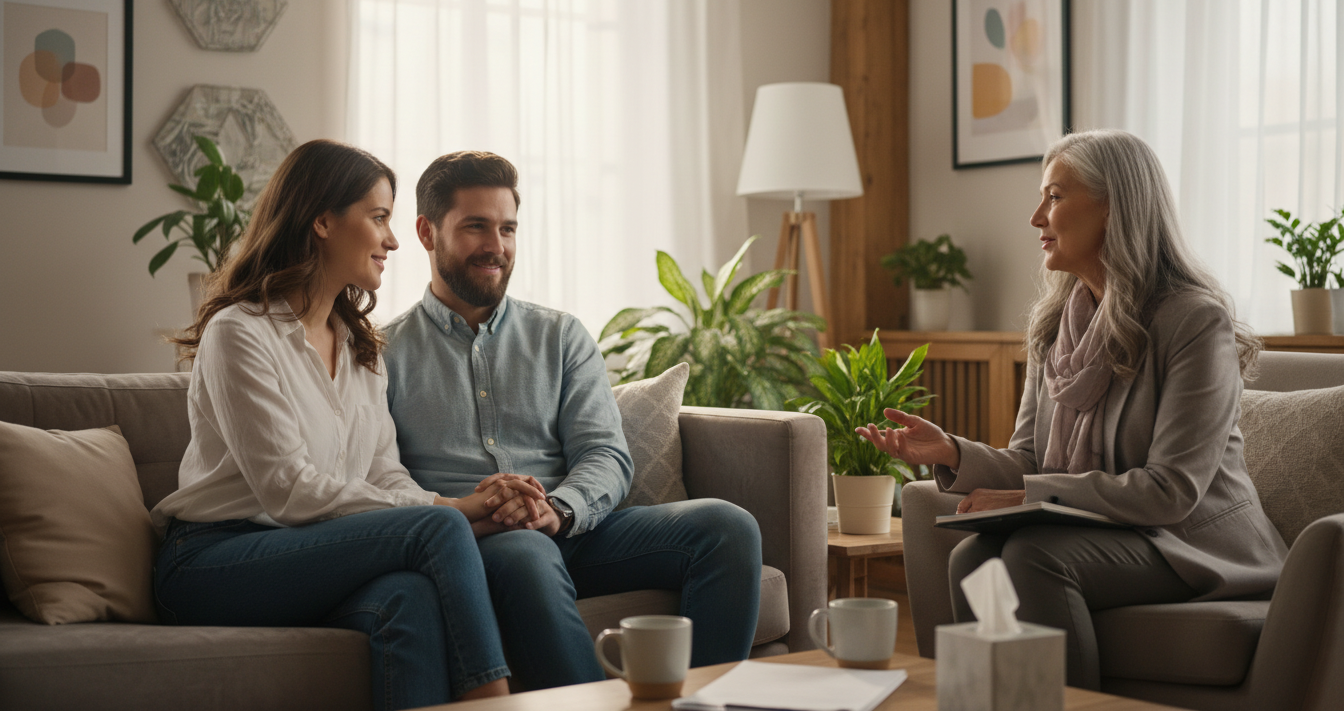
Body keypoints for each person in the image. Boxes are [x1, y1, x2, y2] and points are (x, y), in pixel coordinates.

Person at [857, 129, 1287, 690]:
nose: (1037, 217)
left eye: (1055, 197)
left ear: (1114, 207)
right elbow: (1033, 460)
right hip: (1113, 533)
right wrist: (951, 451)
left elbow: (1172, 490)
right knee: (971, 559)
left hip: (1189, 541)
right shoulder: (1057, 327)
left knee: (1035, 555)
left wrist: (1029, 497)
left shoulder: (1193, 322)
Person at [150, 140, 545, 709]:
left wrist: (470, 506)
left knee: (409, 597)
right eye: (379, 218)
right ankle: (495, 703)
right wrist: (455, 511)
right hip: (211, 562)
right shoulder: (240, 333)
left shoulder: (363, 348)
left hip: (312, 551)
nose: (392, 239)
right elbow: (289, 490)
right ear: (322, 222)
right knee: (440, 527)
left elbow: (386, 475)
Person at [382, 150, 763, 691]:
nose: (497, 246)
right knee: (525, 551)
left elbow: (605, 453)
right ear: (426, 231)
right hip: (476, 542)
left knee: (728, 527)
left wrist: (558, 510)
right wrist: (487, 513)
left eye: (508, 228)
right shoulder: (380, 353)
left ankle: (703, 704)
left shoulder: (560, 336)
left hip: (575, 528)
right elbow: (382, 477)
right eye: (476, 227)